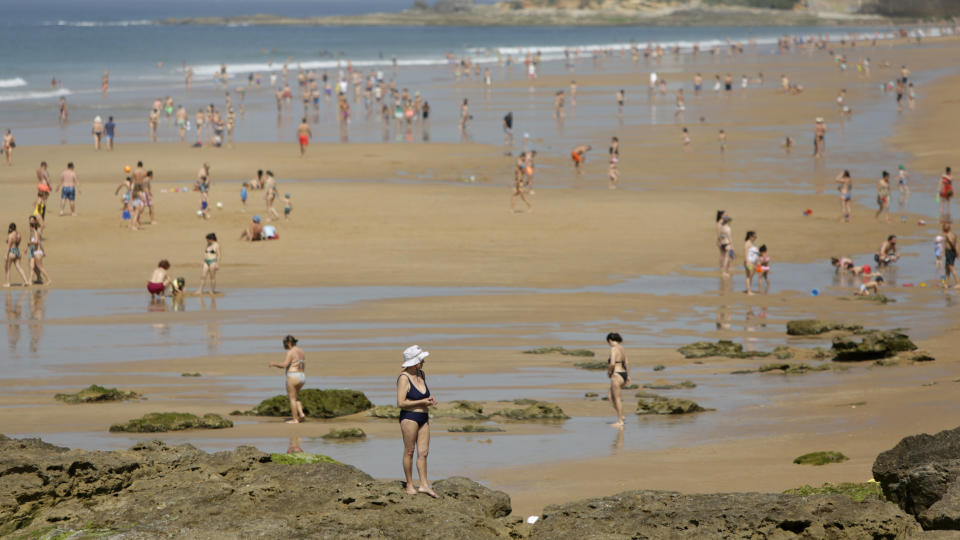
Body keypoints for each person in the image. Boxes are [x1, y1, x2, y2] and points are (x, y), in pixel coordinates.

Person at [397, 345, 438, 498]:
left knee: (424, 452)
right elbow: (400, 403)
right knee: (410, 451)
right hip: (409, 417)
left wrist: (429, 399)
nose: (423, 362)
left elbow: (423, 396)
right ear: (414, 362)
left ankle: (424, 485)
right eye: (421, 360)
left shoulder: (421, 374)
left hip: (424, 418)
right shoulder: (403, 378)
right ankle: (409, 484)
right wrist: (422, 402)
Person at [269, 335, 307, 424]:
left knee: (292, 398)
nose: (283, 345)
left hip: (293, 376)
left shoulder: (290, 352)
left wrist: (274, 363)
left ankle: (295, 419)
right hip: (302, 376)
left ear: (289, 343)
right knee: (296, 396)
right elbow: (304, 364)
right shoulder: (301, 351)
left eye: (284, 343)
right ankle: (301, 414)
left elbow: (284, 365)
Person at [606, 332, 629, 428]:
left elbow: (612, 364)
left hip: (616, 374)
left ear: (610, 340)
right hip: (623, 374)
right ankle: (621, 416)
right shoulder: (622, 348)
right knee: (610, 396)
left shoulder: (613, 349)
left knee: (617, 398)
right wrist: (627, 376)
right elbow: (626, 362)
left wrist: (608, 372)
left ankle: (620, 421)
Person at [27, 219, 50, 285]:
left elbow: (36, 241)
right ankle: (31, 280)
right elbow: (40, 243)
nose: (29, 228)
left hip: (37, 253)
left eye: (30, 226)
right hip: (36, 252)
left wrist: (30, 242)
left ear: (32, 227)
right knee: (33, 267)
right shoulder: (34, 233)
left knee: (40, 267)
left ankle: (49, 280)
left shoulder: (35, 232)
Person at [716, 211, 733, 277]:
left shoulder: (722, 227)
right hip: (727, 243)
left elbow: (720, 235)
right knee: (726, 258)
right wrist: (732, 246)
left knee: (723, 256)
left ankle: (723, 269)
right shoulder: (728, 228)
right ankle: (724, 271)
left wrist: (720, 242)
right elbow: (730, 238)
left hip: (722, 243)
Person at [943, 223, 959, 288]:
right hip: (950, 252)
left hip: (950, 252)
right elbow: (956, 244)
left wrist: (956, 252)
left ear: (946, 228)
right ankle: (945, 284)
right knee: (947, 268)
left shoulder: (948, 235)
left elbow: (953, 244)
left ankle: (958, 283)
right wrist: (957, 252)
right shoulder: (953, 234)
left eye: (943, 228)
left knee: (951, 267)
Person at [744, 231, 759, 295]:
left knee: (751, 275)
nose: (755, 238)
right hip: (749, 263)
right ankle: (749, 291)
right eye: (754, 237)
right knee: (749, 275)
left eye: (756, 237)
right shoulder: (747, 243)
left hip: (752, 263)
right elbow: (745, 253)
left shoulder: (751, 243)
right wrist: (747, 262)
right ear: (750, 237)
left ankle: (749, 289)